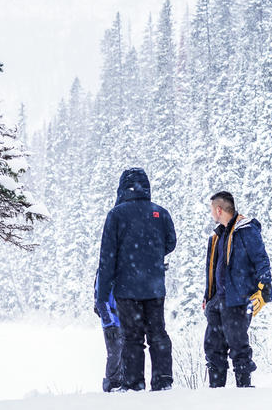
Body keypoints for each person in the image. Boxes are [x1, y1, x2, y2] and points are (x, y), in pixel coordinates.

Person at [96, 168, 177, 391]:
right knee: (158, 334)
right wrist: (152, 255)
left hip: (126, 288)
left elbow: (107, 258)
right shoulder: (160, 213)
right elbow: (171, 242)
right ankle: (163, 382)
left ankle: (134, 384)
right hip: (154, 287)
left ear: (123, 187)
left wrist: (101, 296)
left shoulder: (116, 215)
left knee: (132, 338)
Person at [203, 191, 272, 388]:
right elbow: (213, 267)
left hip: (238, 299)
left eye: (211, 210)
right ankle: (216, 391)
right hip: (218, 300)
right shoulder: (218, 235)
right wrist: (208, 296)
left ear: (218, 209)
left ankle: (243, 392)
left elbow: (261, 259)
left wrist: (264, 287)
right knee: (213, 346)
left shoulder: (246, 229)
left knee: (238, 346)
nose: (211, 214)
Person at [94, 271, 123, 392]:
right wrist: (108, 323)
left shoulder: (122, 267)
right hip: (112, 322)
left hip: (126, 320)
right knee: (115, 356)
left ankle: (122, 384)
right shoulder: (105, 271)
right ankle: (111, 386)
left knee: (126, 355)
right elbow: (100, 299)